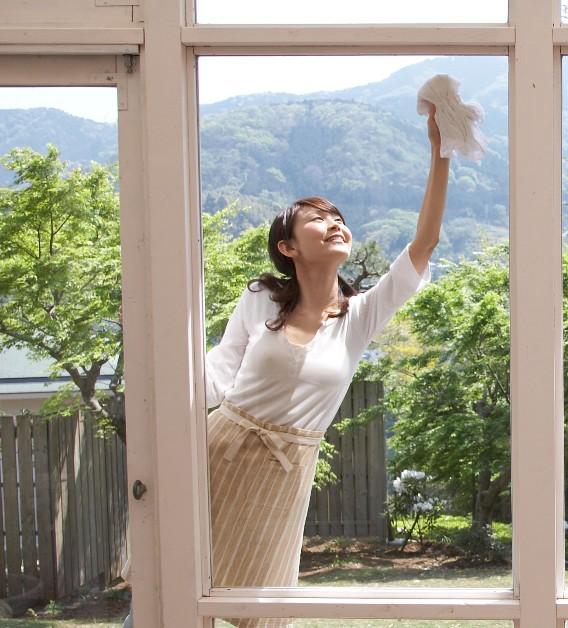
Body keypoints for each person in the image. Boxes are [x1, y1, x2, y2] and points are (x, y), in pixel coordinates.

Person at [123, 105, 448, 628]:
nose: (335, 223)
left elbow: (423, 245)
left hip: (285, 471)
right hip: (219, 448)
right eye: (318, 218)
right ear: (288, 247)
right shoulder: (260, 298)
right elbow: (212, 374)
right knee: (169, 594)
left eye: (338, 217)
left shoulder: (360, 317)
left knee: (259, 613)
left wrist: (440, 152)